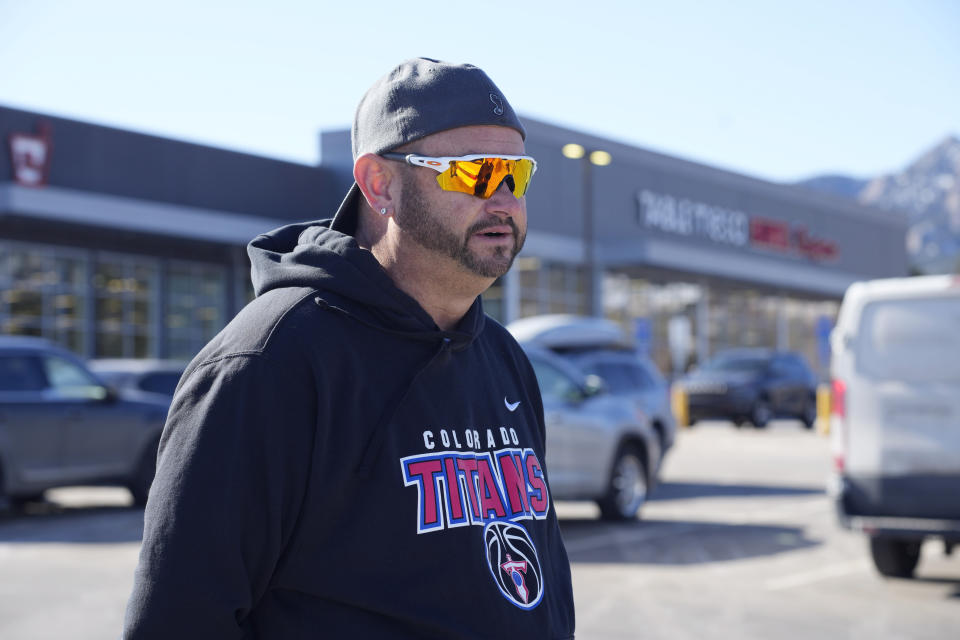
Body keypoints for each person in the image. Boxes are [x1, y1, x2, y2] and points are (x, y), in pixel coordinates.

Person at [123, 58, 576, 639]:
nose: (505, 200)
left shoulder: (503, 358)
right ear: (379, 184)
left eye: (516, 175)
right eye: (476, 174)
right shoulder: (269, 363)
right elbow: (179, 620)